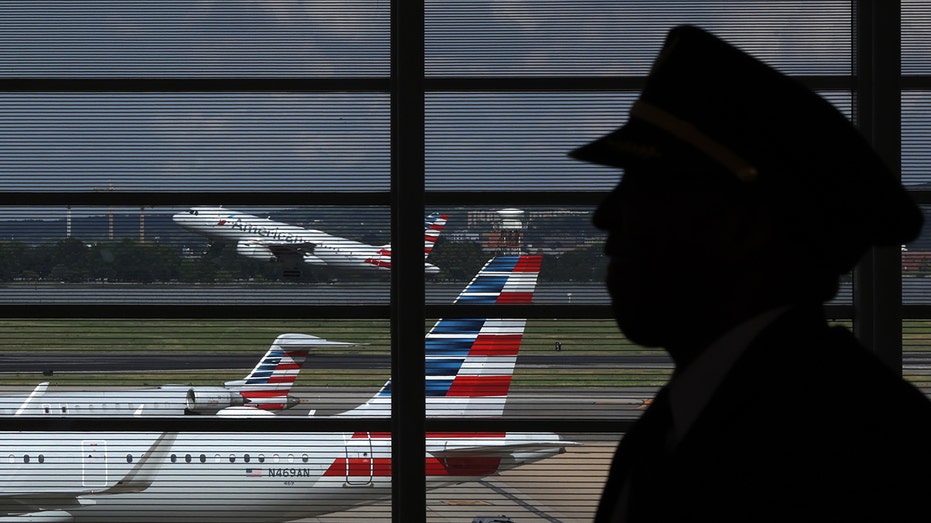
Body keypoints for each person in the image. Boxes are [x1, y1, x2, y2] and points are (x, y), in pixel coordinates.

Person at [569, 25, 931, 522]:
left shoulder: (849, 450)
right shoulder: (676, 423)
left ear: (743, 229)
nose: (605, 216)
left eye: (648, 190)